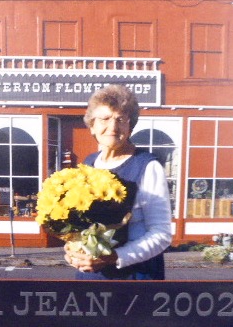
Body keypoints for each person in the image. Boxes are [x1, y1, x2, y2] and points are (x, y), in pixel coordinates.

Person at [64, 84, 172, 280]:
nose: (112, 127)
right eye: (104, 119)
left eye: (120, 119)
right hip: (91, 277)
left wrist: (113, 257)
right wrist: (73, 246)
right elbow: (81, 225)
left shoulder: (147, 167)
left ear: (130, 127)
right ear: (92, 126)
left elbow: (161, 234)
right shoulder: (88, 164)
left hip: (134, 279)